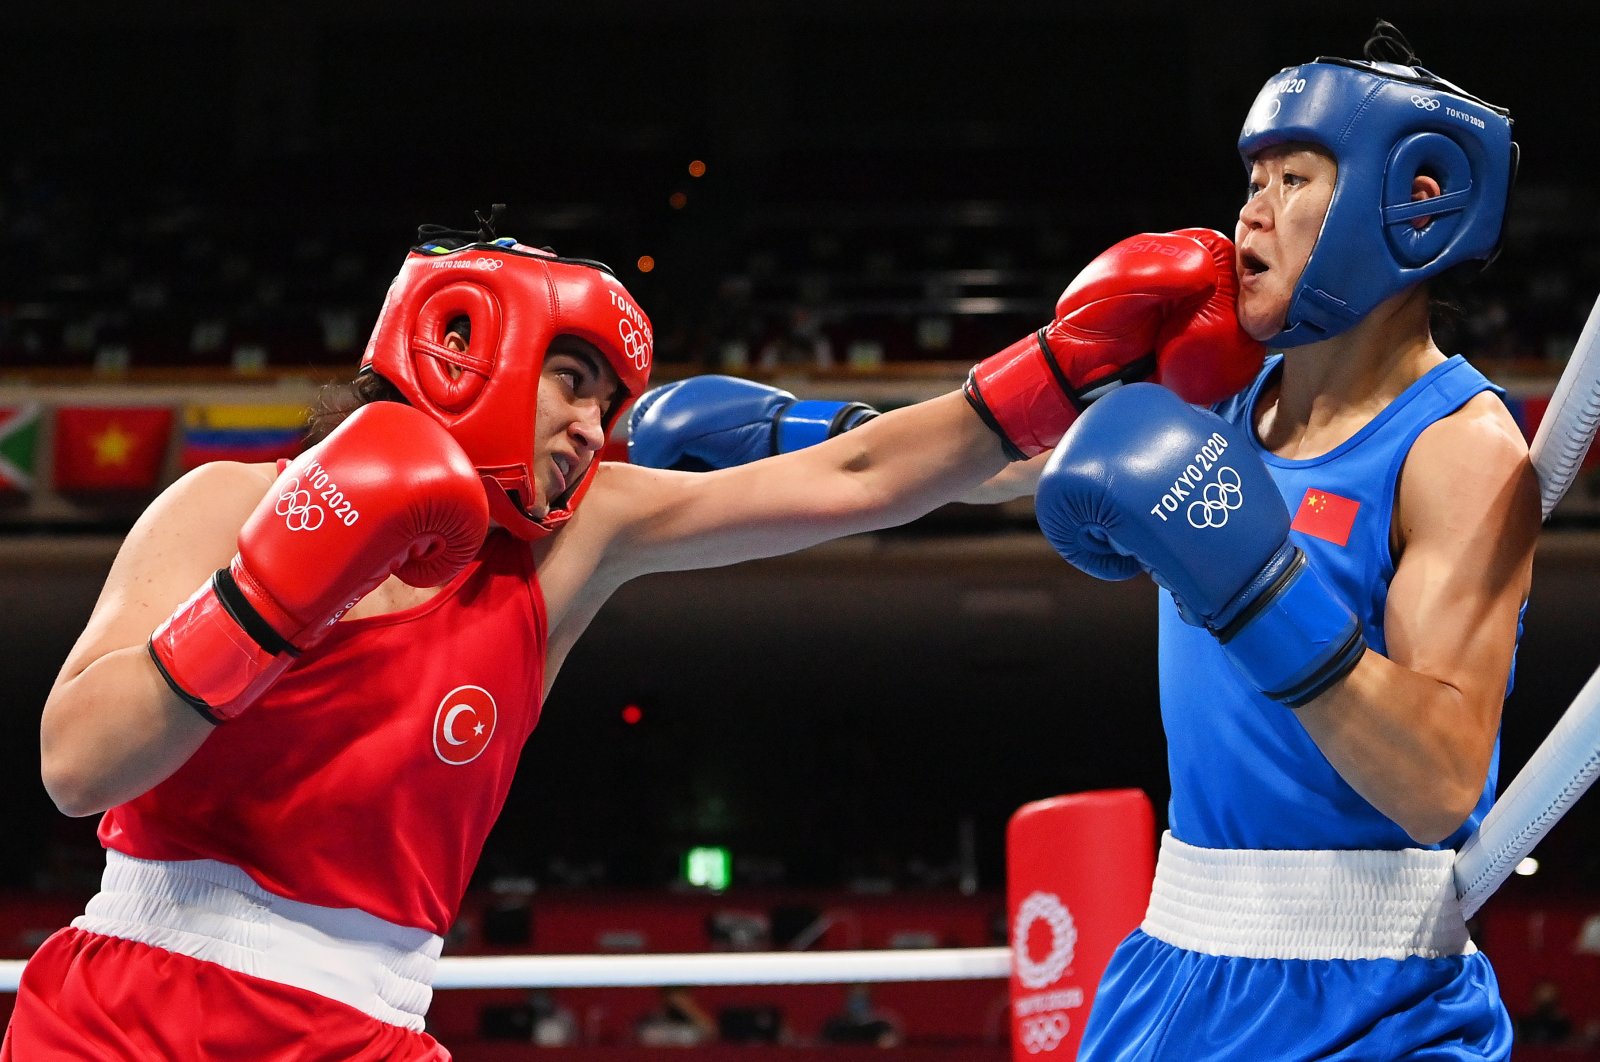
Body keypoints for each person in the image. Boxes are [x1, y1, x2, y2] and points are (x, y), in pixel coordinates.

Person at [5, 204, 1261, 1059]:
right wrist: (272, 596)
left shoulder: (574, 536)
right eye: (573, 382)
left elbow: (859, 475)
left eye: (608, 404)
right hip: (125, 997)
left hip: (356, 1020)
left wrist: (1063, 363)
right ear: (462, 349)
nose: (591, 430)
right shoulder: (227, 505)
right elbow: (75, 765)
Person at [1034, 22, 1538, 1060]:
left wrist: (1259, 592)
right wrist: (806, 435)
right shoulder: (1217, 400)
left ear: (1403, 201)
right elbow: (1005, 456)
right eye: (1249, 179)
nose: (1246, 212)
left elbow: (1441, 783)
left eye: (1289, 178)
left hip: (1370, 998)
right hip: (1174, 962)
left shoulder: (1457, 446)